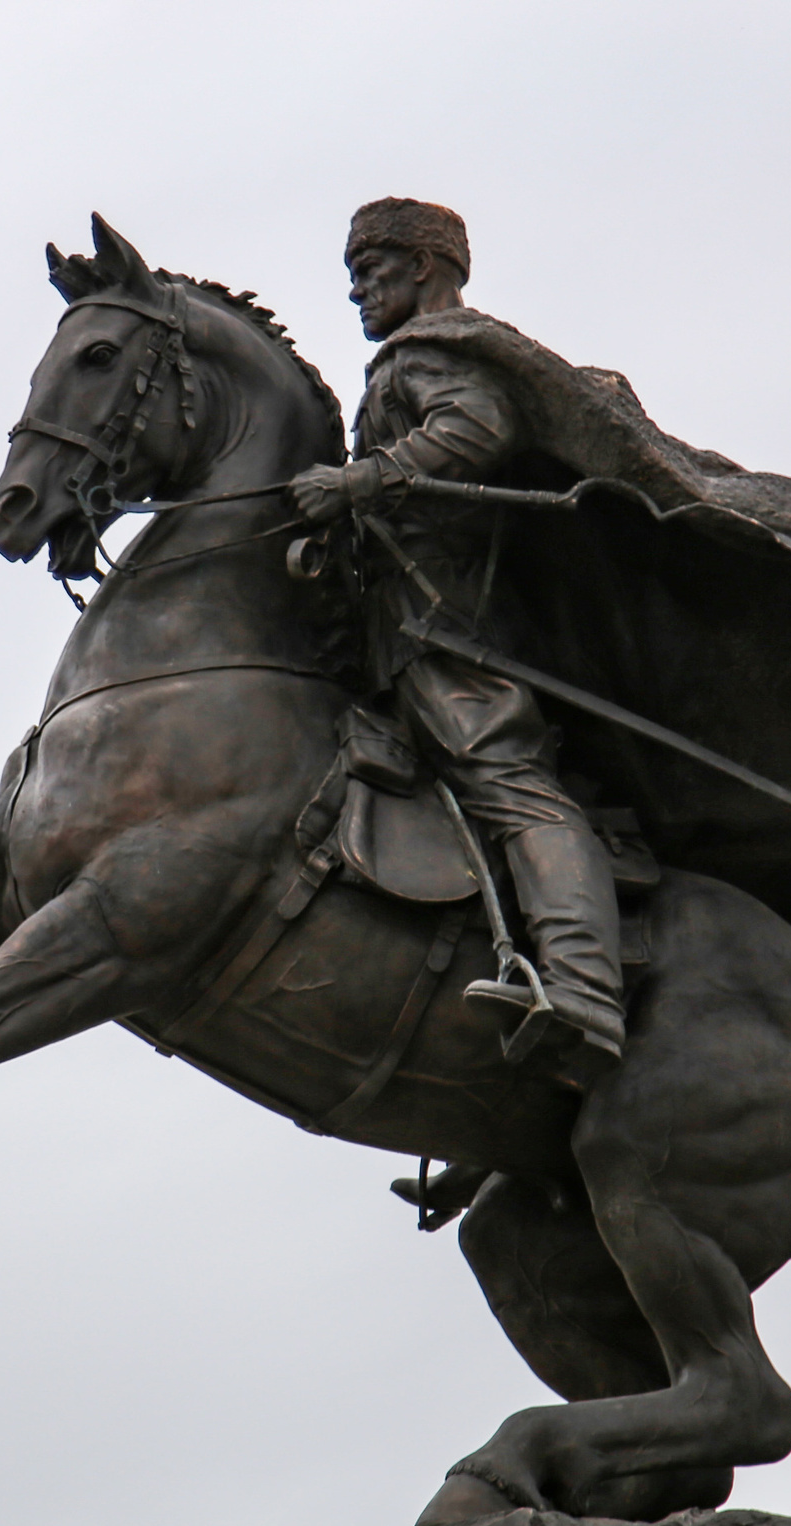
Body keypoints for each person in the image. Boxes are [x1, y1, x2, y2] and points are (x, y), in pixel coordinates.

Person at [288, 198, 623, 1080]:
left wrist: (364, 478)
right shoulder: (399, 364)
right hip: (400, 625)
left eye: (371, 272)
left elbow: (477, 428)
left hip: (453, 627)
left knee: (507, 782)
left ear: (426, 268)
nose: (357, 292)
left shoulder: (433, 350)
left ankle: (586, 989)